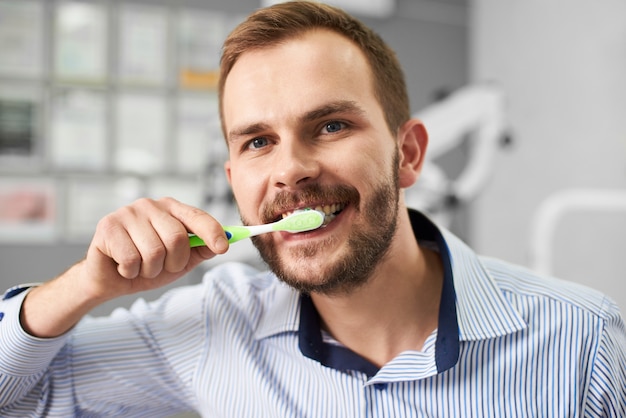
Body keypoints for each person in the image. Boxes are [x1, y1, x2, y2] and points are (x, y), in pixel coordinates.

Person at [1, 1, 624, 416]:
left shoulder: (583, 343)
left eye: (329, 125)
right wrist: (83, 286)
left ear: (408, 156)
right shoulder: (211, 327)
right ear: (233, 179)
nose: (289, 168)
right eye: (258, 141)